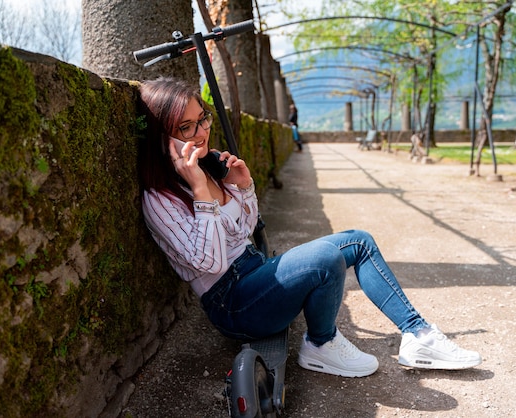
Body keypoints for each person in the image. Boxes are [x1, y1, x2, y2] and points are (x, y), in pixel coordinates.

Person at [138, 77, 482, 378]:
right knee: (325, 259)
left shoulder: (211, 168)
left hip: (255, 272)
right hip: (233, 305)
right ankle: (321, 344)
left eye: (202, 119)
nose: (202, 133)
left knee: (358, 241)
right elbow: (210, 263)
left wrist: (243, 186)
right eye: (186, 127)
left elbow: (243, 229)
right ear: (162, 137)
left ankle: (418, 335)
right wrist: (199, 189)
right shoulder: (160, 198)